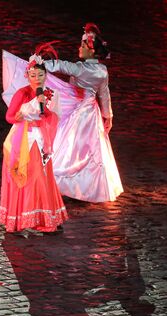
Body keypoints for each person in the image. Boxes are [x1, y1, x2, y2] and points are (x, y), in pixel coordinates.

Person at [43, 23, 123, 202]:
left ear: (92, 51)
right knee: (91, 149)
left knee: (70, 146)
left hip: (78, 111)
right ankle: (88, 185)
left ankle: (67, 183)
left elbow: (62, 66)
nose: (80, 47)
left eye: (83, 46)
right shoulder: (102, 71)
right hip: (92, 113)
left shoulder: (81, 68)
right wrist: (108, 115)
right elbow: (104, 93)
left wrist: (42, 63)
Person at [0, 43, 68, 234]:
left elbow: (55, 116)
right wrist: (22, 115)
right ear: (27, 75)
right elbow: (9, 117)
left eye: (40, 75)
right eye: (33, 75)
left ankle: (45, 218)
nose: (37, 79)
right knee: (28, 177)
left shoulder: (51, 94)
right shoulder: (22, 93)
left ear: (46, 75)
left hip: (41, 139)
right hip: (23, 140)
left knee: (43, 177)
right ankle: (22, 218)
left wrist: (46, 112)